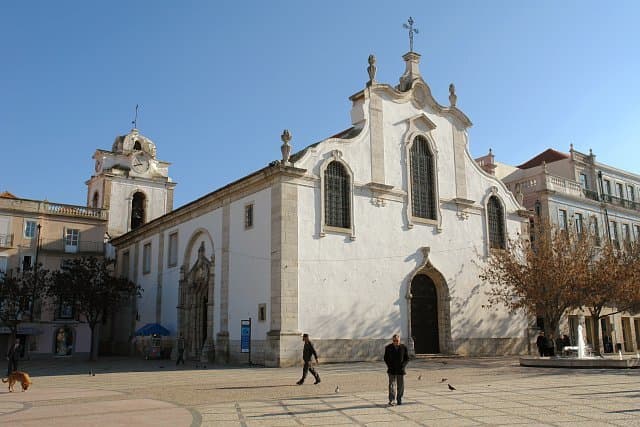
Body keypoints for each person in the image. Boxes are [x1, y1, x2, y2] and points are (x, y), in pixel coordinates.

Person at [384, 334, 409, 406]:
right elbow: (386, 358)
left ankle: (399, 399)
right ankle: (391, 400)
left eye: (397, 340)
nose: (395, 342)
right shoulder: (388, 347)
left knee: (400, 386)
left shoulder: (403, 347)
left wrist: (403, 366)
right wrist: (389, 366)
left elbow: (407, 358)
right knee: (392, 385)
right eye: (394, 341)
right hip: (391, 369)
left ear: (399, 340)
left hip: (400, 370)